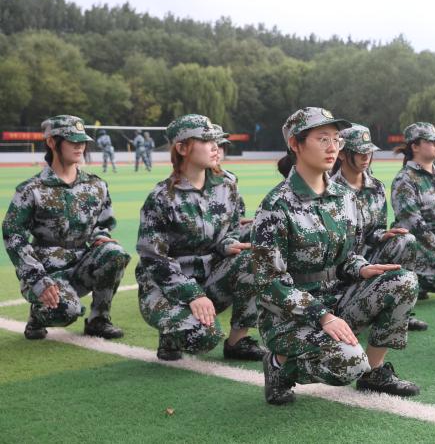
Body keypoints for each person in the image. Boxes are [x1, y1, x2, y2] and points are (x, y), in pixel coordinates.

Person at [252, 107, 420, 405]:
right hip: (290, 315)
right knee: (350, 362)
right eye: (322, 139)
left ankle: (375, 372)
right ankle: (279, 365)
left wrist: (362, 268)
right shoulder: (276, 206)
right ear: (295, 144)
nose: (332, 147)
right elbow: (270, 284)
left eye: (336, 139)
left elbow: (347, 256)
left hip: (336, 299)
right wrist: (322, 316)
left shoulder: (344, 197)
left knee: (403, 281)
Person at [136, 114, 263, 362]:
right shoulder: (162, 197)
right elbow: (154, 259)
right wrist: (192, 294)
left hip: (209, 278)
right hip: (167, 285)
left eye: (216, 140)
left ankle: (237, 341)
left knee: (255, 258)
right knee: (203, 336)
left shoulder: (227, 185)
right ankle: (171, 334)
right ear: (182, 148)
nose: (215, 147)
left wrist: (228, 244)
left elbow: (232, 228)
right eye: (206, 141)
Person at [3, 115, 130, 340]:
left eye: (82, 141)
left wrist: (100, 236)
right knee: (66, 312)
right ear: (52, 142)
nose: (80, 146)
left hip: (82, 263)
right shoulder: (32, 189)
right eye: (72, 141)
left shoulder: (96, 185)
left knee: (115, 253)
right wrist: (37, 279)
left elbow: (103, 223)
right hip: (47, 270)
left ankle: (99, 320)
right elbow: (14, 235)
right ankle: (38, 315)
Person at [330, 124, 430, 331]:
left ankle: (401, 312)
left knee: (405, 240)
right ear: (342, 154)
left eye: (368, 152)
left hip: (367, 256)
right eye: (359, 152)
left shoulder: (375, 187)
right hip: (339, 266)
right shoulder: (330, 191)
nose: (366, 157)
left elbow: (374, 229)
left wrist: (382, 235)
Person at [390, 122, 435, 299]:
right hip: (418, 245)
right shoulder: (404, 180)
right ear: (415, 146)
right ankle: (409, 282)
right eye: (430, 141)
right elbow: (414, 225)